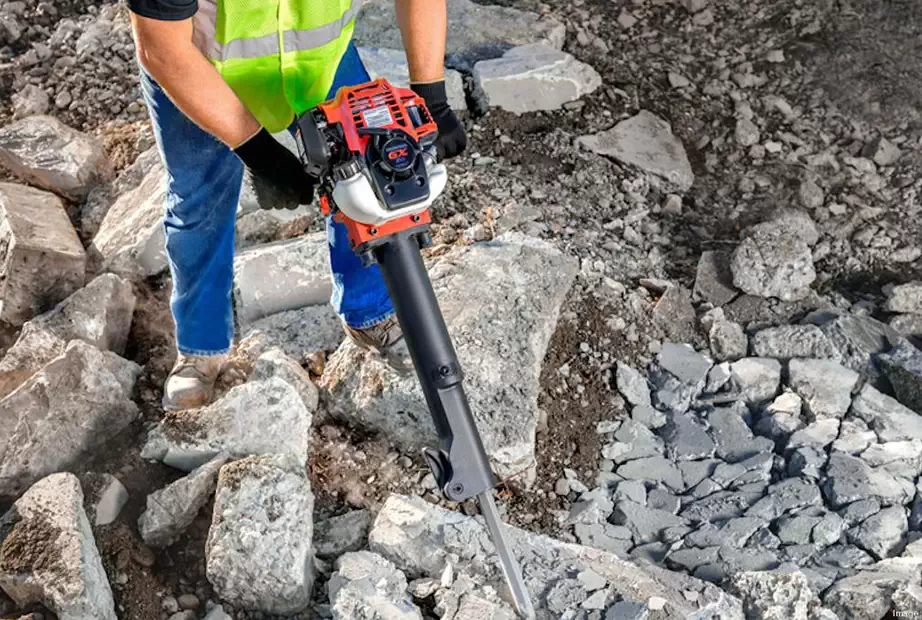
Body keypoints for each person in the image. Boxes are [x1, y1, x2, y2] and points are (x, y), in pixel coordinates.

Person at [126, 0, 467, 410]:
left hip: (317, 58)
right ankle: (200, 348)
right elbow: (164, 50)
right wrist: (259, 154)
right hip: (201, 65)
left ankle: (370, 310)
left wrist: (431, 95)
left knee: (367, 171)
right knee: (200, 196)